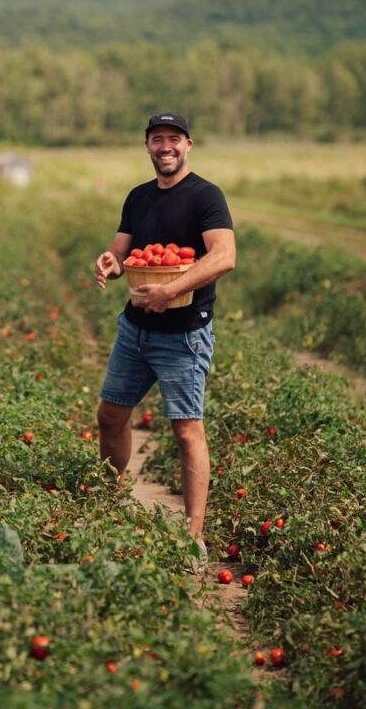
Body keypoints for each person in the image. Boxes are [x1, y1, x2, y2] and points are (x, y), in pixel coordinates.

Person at [93, 112, 235, 569]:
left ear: (189, 144)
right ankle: (111, 505)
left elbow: (224, 256)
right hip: (135, 329)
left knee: (186, 429)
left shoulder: (206, 196)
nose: (166, 147)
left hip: (184, 333)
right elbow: (122, 249)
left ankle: (194, 535)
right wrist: (110, 264)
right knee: (111, 414)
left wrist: (172, 289)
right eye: (158, 139)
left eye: (174, 139)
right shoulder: (138, 197)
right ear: (147, 146)